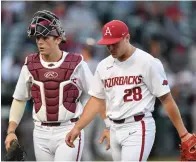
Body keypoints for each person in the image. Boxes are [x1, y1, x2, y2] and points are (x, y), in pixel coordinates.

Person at [65, 20, 195, 161]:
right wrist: (77, 128)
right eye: (107, 44)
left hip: (138, 126)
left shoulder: (147, 62)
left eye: (115, 43)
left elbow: (167, 100)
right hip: (114, 128)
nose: (111, 47)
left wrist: (183, 134)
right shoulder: (104, 65)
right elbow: (96, 100)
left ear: (127, 38)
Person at [4, 10, 94, 161]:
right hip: (40, 132)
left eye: (45, 37)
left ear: (58, 39)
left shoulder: (76, 63)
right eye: (38, 37)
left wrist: (81, 123)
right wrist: (11, 130)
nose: (40, 42)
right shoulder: (30, 64)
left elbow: (95, 95)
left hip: (68, 129)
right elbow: (20, 99)